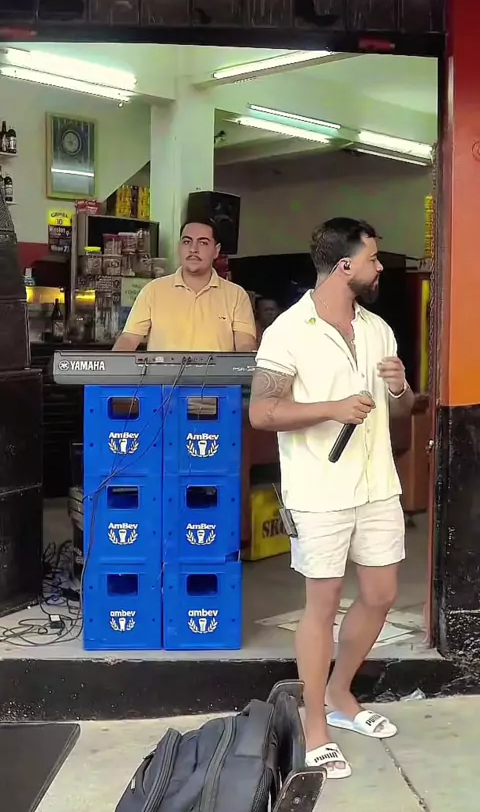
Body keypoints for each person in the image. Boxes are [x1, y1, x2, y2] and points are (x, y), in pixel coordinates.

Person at [249, 217, 414, 780]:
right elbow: (262, 412)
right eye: (373, 258)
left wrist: (400, 388)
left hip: (377, 485)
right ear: (345, 266)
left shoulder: (378, 329)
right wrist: (332, 409)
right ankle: (314, 720)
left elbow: (402, 411)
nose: (379, 267)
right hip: (318, 490)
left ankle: (342, 693)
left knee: (381, 593)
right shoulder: (288, 331)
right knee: (321, 605)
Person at [113, 220, 256, 352]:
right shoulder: (153, 290)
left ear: (216, 250)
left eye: (203, 243)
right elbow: (129, 338)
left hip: (218, 373)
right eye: (187, 242)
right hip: (163, 373)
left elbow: (245, 346)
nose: (193, 249)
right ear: (179, 247)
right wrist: (111, 366)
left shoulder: (236, 295)